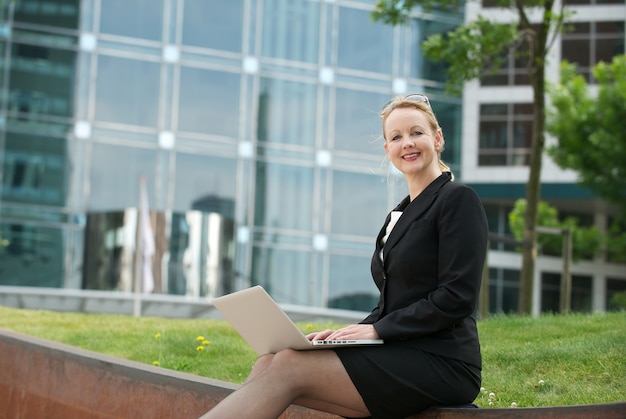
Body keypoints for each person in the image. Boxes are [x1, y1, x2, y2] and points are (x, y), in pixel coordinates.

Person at [200, 94, 489, 419]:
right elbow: (391, 304)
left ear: (437, 139)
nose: (407, 143)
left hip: (443, 360)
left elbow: (456, 297)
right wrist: (343, 336)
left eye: (416, 133)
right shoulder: (398, 215)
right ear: (388, 150)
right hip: (400, 351)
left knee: (289, 367)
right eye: (396, 137)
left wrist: (377, 332)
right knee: (273, 359)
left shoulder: (457, 200)